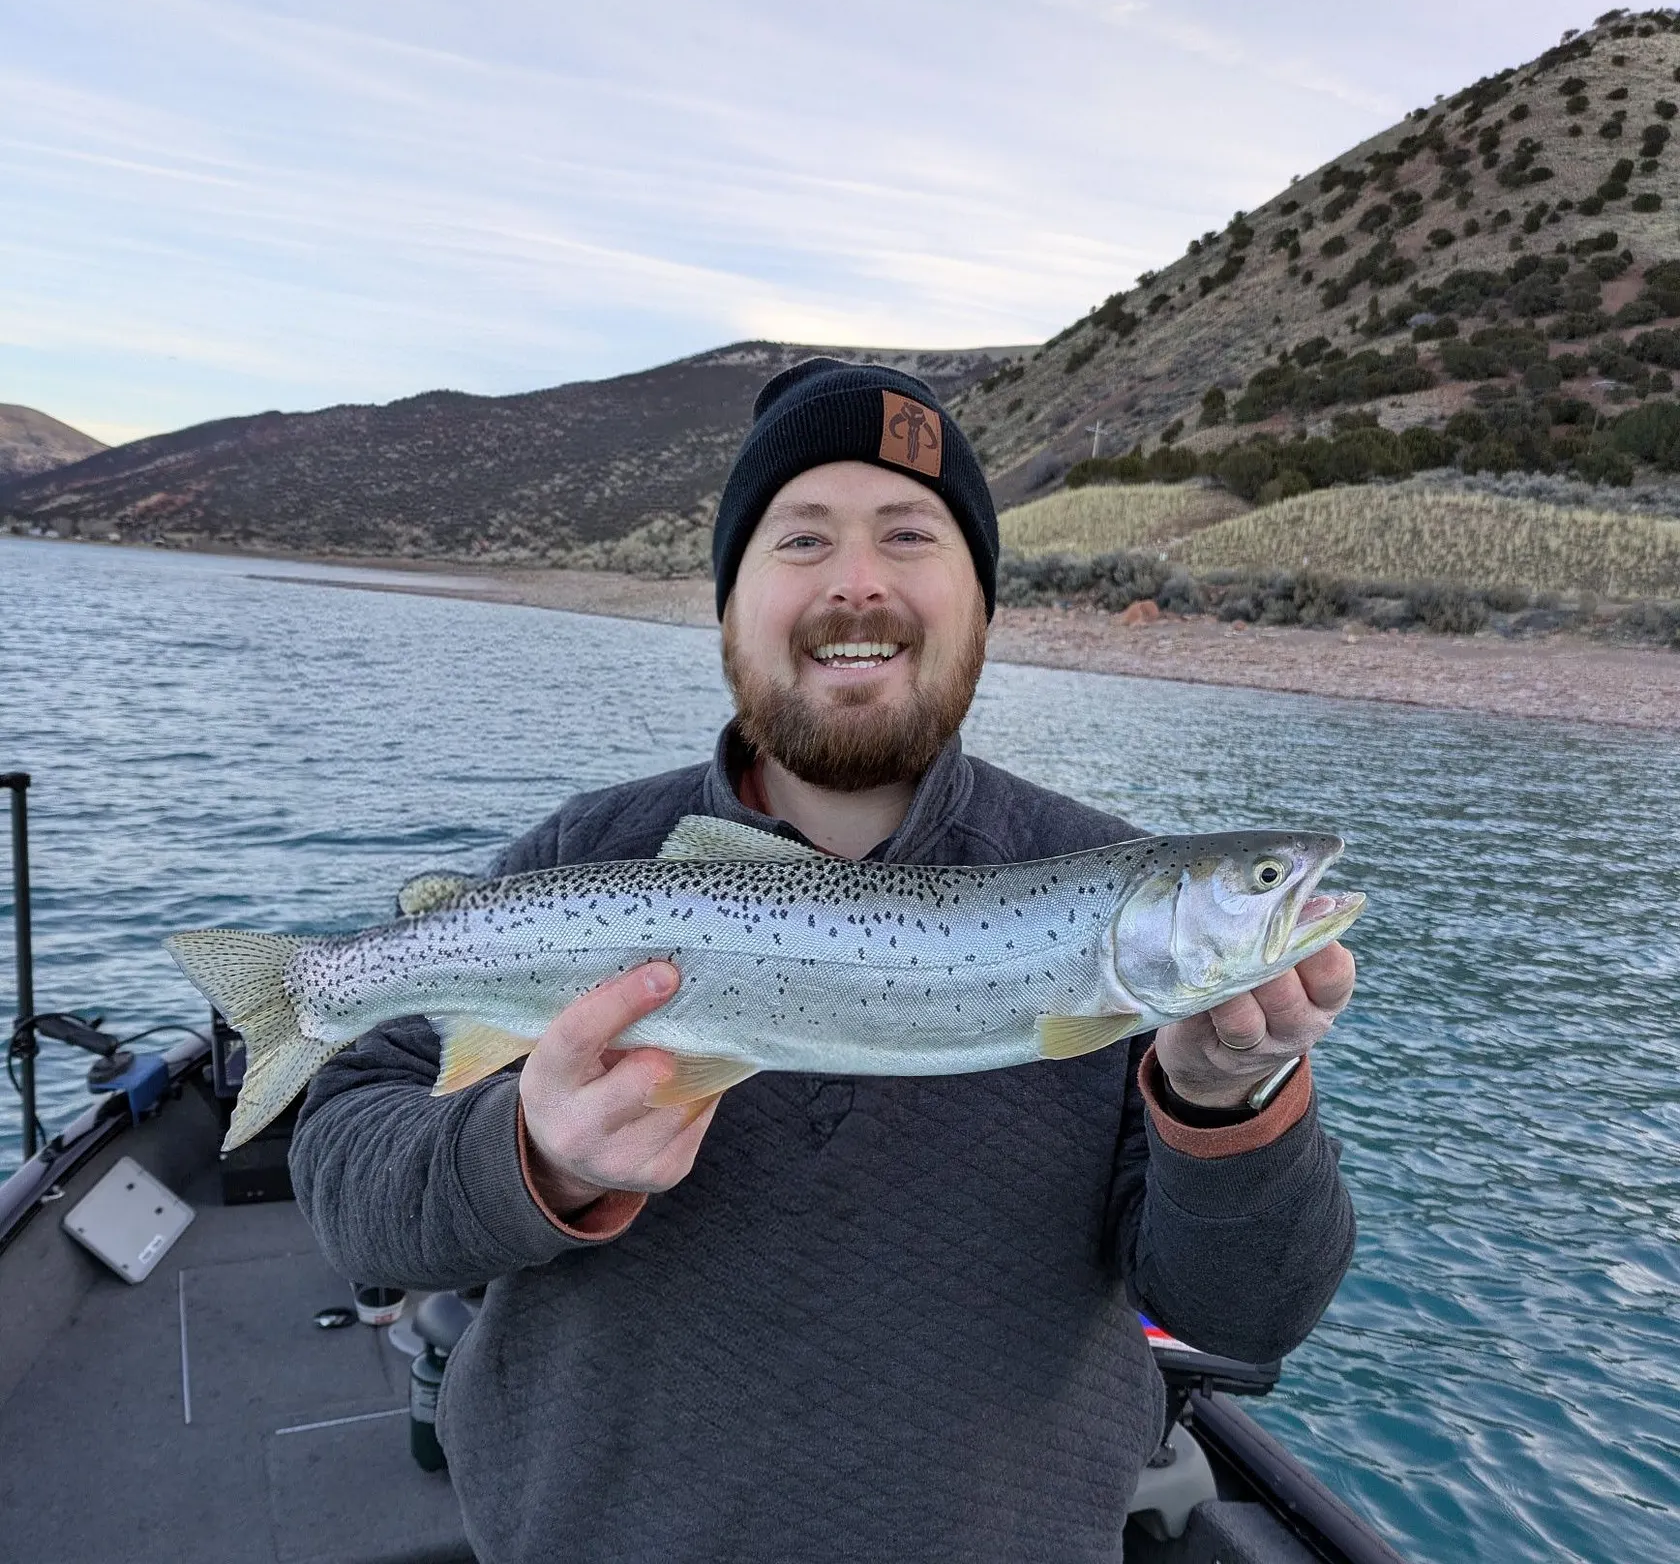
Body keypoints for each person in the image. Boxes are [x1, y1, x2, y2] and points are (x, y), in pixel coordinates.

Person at [291, 359, 1357, 1564]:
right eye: (800, 540)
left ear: (982, 600)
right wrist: (527, 1155)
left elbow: (1248, 1312)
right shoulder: (581, 857)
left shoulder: (1097, 876)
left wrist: (1227, 1102)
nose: (858, 583)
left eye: (911, 534)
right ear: (730, 602)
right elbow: (350, 1195)